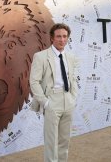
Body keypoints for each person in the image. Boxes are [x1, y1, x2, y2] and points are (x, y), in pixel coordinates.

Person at [30, 23, 78, 162]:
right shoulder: (40, 56)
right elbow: (34, 82)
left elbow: (73, 79)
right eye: (58, 36)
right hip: (52, 101)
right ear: (52, 38)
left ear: (67, 38)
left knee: (64, 140)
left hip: (68, 100)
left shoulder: (71, 57)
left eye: (64, 36)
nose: (62, 40)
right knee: (51, 142)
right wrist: (45, 103)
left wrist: (73, 97)